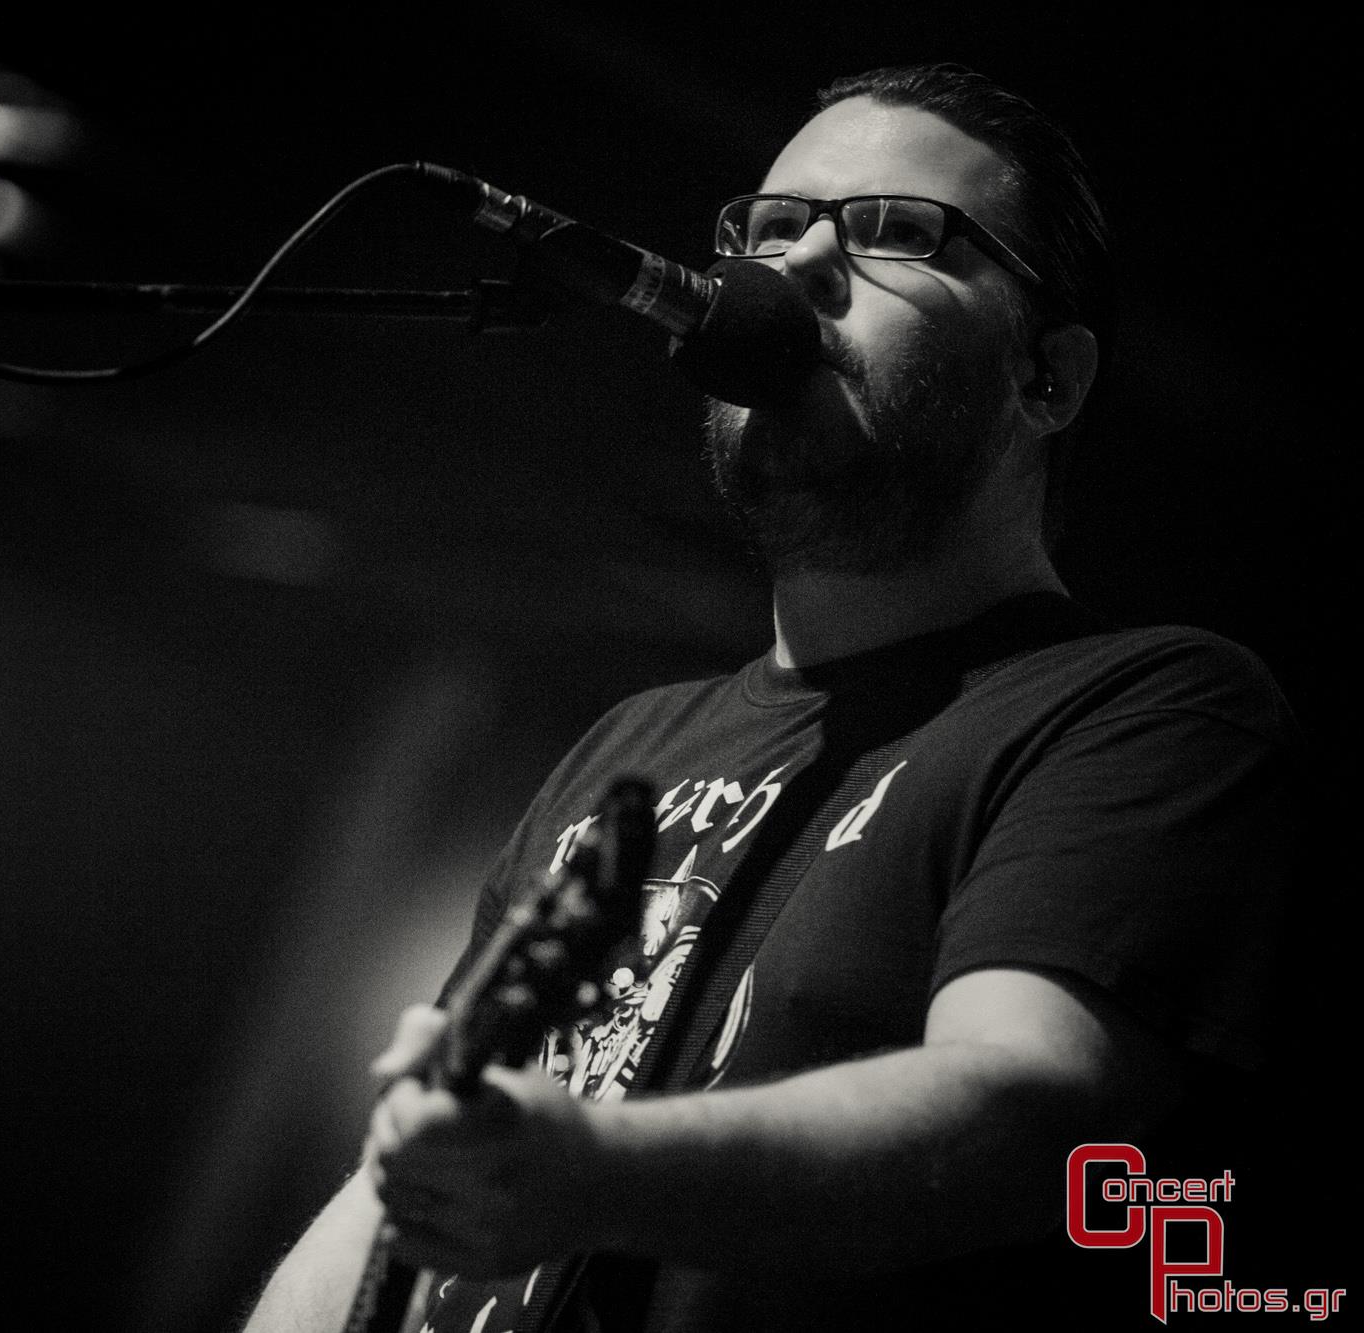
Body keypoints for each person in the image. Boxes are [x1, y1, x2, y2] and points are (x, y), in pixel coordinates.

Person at [242, 63, 1295, 1331]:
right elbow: (396, 1187)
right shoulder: (630, 745)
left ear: (1047, 379)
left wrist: (591, 1172)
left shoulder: (1141, 710)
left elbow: (1026, 1111)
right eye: (769, 225)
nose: (794, 264)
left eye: (895, 230)